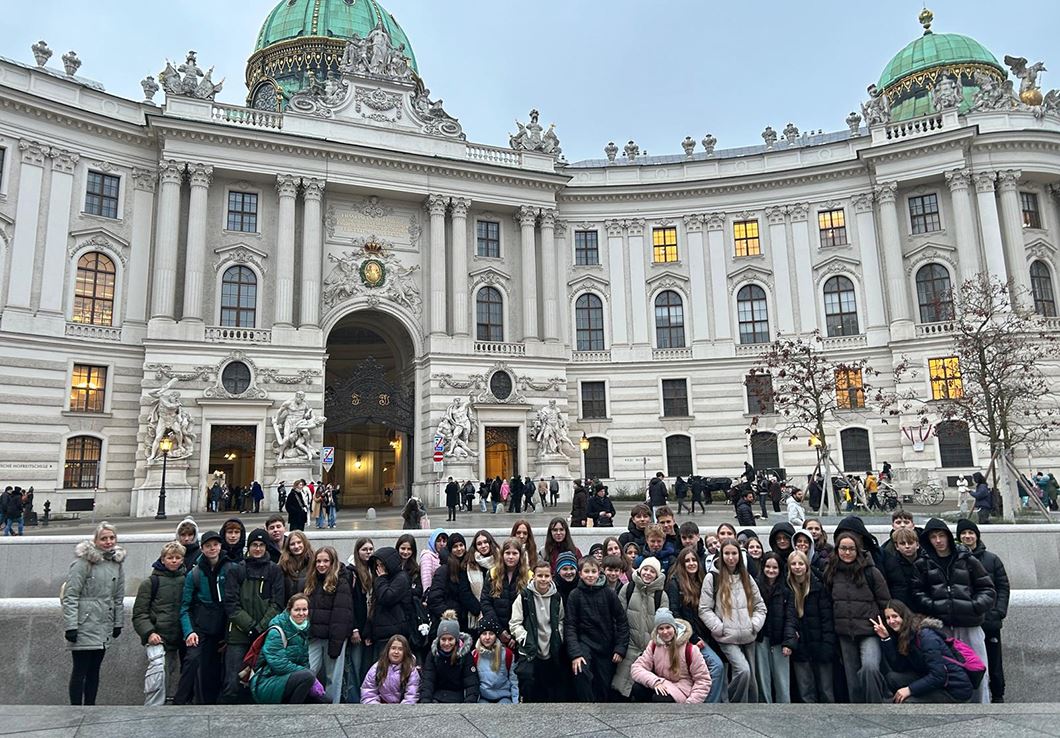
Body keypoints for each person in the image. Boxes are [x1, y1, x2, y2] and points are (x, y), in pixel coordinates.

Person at [911, 518, 996, 703]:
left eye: (941, 535)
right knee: (950, 671)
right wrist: (933, 606)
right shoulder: (922, 563)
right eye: (933, 537)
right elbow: (917, 593)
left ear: (948, 536)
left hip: (969, 624)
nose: (938, 540)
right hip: (942, 627)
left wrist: (974, 606)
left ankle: (983, 706)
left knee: (978, 668)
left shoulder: (967, 559)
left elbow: (987, 589)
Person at [63, 522, 125, 705]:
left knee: (94, 670)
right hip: (84, 624)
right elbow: (71, 595)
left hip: (103, 623)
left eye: (112, 538)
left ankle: (90, 707)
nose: (108, 542)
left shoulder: (116, 564)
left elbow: (118, 596)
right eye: (104, 538)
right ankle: (76, 709)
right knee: (80, 670)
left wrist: (118, 622)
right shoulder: (83, 563)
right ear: (95, 540)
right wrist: (71, 626)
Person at [825, 531, 890, 703]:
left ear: (858, 550)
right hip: (844, 633)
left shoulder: (871, 572)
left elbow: (885, 602)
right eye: (843, 548)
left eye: (851, 549)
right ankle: (857, 711)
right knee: (852, 680)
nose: (847, 552)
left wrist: (885, 627)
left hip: (870, 631)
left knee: (870, 668)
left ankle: (875, 705)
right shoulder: (831, 571)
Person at [222, 528, 285, 701]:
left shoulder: (274, 570)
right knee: (233, 680)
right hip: (238, 634)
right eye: (254, 545)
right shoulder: (236, 570)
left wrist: (261, 627)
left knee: (261, 679)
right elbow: (231, 604)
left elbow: (277, 603)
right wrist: (250, 626)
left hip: (264, 634)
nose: (257, 549)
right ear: (248, 547)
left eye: (261, 545)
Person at [698, 540, 766, 702]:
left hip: (748, 635)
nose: (730, 557)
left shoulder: (746, 577)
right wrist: (719, 627)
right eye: (727, 553)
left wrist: (754, 624)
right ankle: (730, 702)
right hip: (727, 637)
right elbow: (704, 609)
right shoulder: (712, 577)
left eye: (734, 553)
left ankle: (744, 707)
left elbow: (760, 606)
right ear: (721, 555)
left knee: (751, 679)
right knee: (744, 671)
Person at [874, 600, 973, 703]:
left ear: (904, 616)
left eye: (895, 616)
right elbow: (900, 667)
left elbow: (939, 676)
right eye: (888, 618)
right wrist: (886, 638)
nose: (891, 621)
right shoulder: (905, 634)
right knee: (892, 678)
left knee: (907, 702)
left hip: (953, 690)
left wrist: (909, 690)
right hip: (931, 679)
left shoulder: (926, 636)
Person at [958, 520, 1010, 703]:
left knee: (994, 661)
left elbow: (1003, 587)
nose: (967, 536)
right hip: (967, 620)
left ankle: (997, 695)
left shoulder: (992, 559)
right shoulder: (956, 559)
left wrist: (999, 611)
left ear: (977, 535)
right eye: (963, 533)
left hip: (990, 620)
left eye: (971, 533)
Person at [664, 546, 725, 702]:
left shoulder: (703, 581)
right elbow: (675, 614)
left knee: (720, 665)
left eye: (694, 560)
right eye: (687, 561)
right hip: (690, 638)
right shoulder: (675, 583)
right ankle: (709, 705)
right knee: (716, 666)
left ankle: (720, 702)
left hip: (708, 635)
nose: (691, 563)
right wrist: (693, 638)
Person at [565, 556, 630, 703]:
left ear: (599, 572)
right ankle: (587, 706)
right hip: (584, 644)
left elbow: (622, 621)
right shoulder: (575, 595)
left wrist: (620, 648)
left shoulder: (609, 594)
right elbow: (570, 626)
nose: (590, 575)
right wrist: (575, 654)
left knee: (603, 685)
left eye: (593, 571)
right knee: (581, 671)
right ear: (580, 574)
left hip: (605, 646)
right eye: (586, 571)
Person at [177, 530, 230, 704]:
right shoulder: (194, 574)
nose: (212, 548)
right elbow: (185, 607)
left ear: (220, 546)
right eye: (208, 546)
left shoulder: (231, 569)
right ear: (202, 549)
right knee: (192, 659)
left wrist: (229, 634)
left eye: (215, 545)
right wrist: (189, 632)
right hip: (201, 627)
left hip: (223, 626)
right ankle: (180, 700)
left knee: (217, 667)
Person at [133, 541, 187, 705]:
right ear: (163, 559)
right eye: (170, 558)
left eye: (177, 558)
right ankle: (153, 708)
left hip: (178, 638)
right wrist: (149, 632)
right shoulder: (150, 583)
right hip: (157, 637)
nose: (174, 561)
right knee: (157, 675)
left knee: (169, 673)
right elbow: (139, 613)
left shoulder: (187, 580)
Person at [250, 594, 328, 704]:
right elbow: (279, 664)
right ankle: (292, 711)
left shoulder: (303, 629)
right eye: (297, 610)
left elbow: (304, 662)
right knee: (308, 676)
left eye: (304, 609)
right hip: (267, 682)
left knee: (325, 701)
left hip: (288, 679)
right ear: (289, 610)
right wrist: (310, 677)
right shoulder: (276, 631)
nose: (301, 613)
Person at [510, 559, 567, 702]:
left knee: (549, 688)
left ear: (551, 577)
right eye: (540, 575)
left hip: (551, 649)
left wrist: (558, 636)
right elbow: (515, 623)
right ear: (533, 576)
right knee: (528, 683)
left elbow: (561, 619)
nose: (543, 579)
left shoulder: (556, 597)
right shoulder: (524, 596)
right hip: (530, 650)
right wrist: (525, 638)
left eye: (546, 576)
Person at [613, 557, 669, 699]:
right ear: (640, 570)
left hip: (650, 649)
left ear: (657, 575)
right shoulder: (628, 588)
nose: (648, 573)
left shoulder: (661, 595)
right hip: (629, 645)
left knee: (644, 688)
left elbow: (664, 625)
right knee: (620, 687)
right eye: (645, 569)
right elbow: (619, 618)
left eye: (652, 571)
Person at [630, 608, 711, 703]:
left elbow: (703, 680)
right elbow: (637, 668)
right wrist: (654, 681)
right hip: (661, 684)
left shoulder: (690, 650)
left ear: (674, 628)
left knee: (660, 699)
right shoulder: (653, 645)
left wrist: (690, 704)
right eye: (661, 628)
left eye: (668, 627)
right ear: (657, 631)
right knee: (638, 688)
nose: (665, 632)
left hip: (681, 691)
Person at [304, 546, 353, 703]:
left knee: (333, 679)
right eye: (318, 561)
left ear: (332, 563)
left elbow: (341, 615)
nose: (321, 565)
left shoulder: (341, 582)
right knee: (307, 673)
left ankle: (333, 708)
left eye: (326, 561)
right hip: (314, 637)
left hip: (334, 638)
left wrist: (335, 645)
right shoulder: (311, 582)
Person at [786, 550, 835, 703]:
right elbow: (789, 617)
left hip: (820, 644)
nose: (797, 567)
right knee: (805, 691)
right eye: (793, 564)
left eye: (800, 563)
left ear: (807, 566)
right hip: (800, 646)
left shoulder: (818, 586)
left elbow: (827, 619)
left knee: (826, 690)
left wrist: (827, 645)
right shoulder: (788, 587)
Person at [754, 552, 795, 703]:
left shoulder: (786, 589)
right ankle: (766, 707)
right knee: (762, 677)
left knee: (782, 680)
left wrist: (788, 642)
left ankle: (784, 708)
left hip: (780, 639)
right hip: (761, 637)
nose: (771, 570)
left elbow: (791, 617)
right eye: (768, 567)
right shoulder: (755, 586)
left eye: (775, 567)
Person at [480, 538, 530, 651]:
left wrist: (516, 635)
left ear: (520, 555)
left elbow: (529, 610)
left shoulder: (528, 577)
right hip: (496, 632)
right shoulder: (492, 574)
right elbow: (486, 603)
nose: (511, 557)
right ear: (502, 555)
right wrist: (499, 630)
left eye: (514, 553)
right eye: (507, 553)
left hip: (519, 634)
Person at [420, 610, 479, 703]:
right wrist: (425, 702)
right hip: (437, 698)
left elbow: (471, 683)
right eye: (443, 639)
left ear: (456, 639)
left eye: (450, 639)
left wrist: (469, 704)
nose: (447, 643)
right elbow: (428, 681)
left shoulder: (465, 655)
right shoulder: (433, 655)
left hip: (459, 699)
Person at [367, 547, 413, 656]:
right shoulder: (382, 579)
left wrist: (381, 579)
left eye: (382, 565)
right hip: (381, 632)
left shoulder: (401, 578)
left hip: (394, 632)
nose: (379, 569)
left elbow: (387, 597)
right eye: (377, 565)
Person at [345, 538, 374, 702]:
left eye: (370, 549)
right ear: (357, 551)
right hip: (356, 628)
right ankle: (353, 699)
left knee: (365, 665)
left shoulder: (373, 569)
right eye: (364, 549)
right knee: (354, 665)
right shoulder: (351, 572)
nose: (368, 552)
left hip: (368, 628)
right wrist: (354, 628)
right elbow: (349, 603)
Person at [360, 634, 419, 704]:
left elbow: (411, 696)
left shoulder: (411, 671)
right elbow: (368, 692)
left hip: (403, 707)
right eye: (393, 648)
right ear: (388, 650)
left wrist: (401, 709)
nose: (396, 652)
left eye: (400, 649)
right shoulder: (377, 668)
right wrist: (377, 707)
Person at [474, 616, 519, 703]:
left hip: (504, 697)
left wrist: (515, 702)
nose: (487, 637)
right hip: (483, 698)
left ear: (496, 636)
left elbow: (513, 681)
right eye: (484, 634)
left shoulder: (507, 654)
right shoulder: (474, 655)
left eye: (491, 634)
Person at [882, 527, 920, 609]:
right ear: (897, 546)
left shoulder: (927, 561)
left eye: (910, 543)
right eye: (903, 544)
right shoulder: (891, 565)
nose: (907, 546)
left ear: (917, 544)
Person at [278, 530, 314, 603]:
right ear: (288, 547)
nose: (296, 546)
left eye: (299, 542)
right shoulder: (282, 565)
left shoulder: (314, 562)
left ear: (305, 543)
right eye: (292, 544)